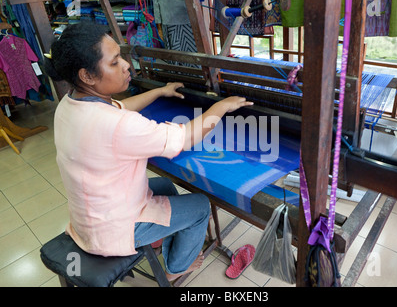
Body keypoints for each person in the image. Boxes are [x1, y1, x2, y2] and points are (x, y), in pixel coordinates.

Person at [42, 22, 253, 282]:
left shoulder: (70, 103)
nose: (126, 65)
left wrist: (160, 91)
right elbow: (185, 138)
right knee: (201, 205)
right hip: (114, 230)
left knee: (163, 183)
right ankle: (176, 268)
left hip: (90, 217)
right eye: (115, 61)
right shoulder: (118, 126)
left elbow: (121, 107)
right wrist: (221, 107)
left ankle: (164, 237)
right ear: (87, 75)